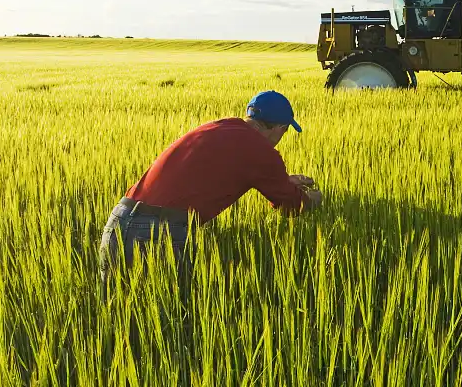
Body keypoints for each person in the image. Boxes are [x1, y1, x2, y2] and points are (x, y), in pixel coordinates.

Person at [98, 90, 322, 288]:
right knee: (170, 323)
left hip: (117, 221)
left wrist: (282, 181)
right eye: (285, 132)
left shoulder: (218, 127)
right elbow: (293, 206)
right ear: (281, 128)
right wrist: (313, 198)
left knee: (116, 318)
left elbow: (220, 170)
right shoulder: (261, 150)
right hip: (158, 233)